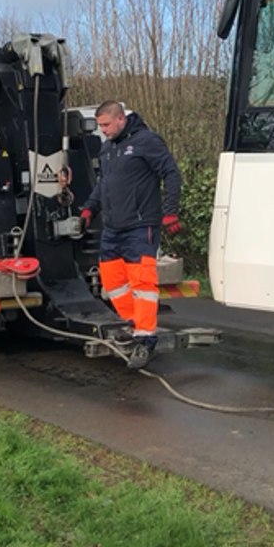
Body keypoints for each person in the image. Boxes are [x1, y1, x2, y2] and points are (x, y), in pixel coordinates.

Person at [79, 101, 183, 368]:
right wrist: (90, 208)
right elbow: (104, 184)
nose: (103, 130)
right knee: (112, 280)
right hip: (113, 227)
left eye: (106, 125)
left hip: (140, 225)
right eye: (100, 126)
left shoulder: (146, 141)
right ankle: (134, 323)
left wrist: (170, 211)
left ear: (121, 119)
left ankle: (146, 338)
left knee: (142, 283)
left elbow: (171, 173)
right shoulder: (108, 148)